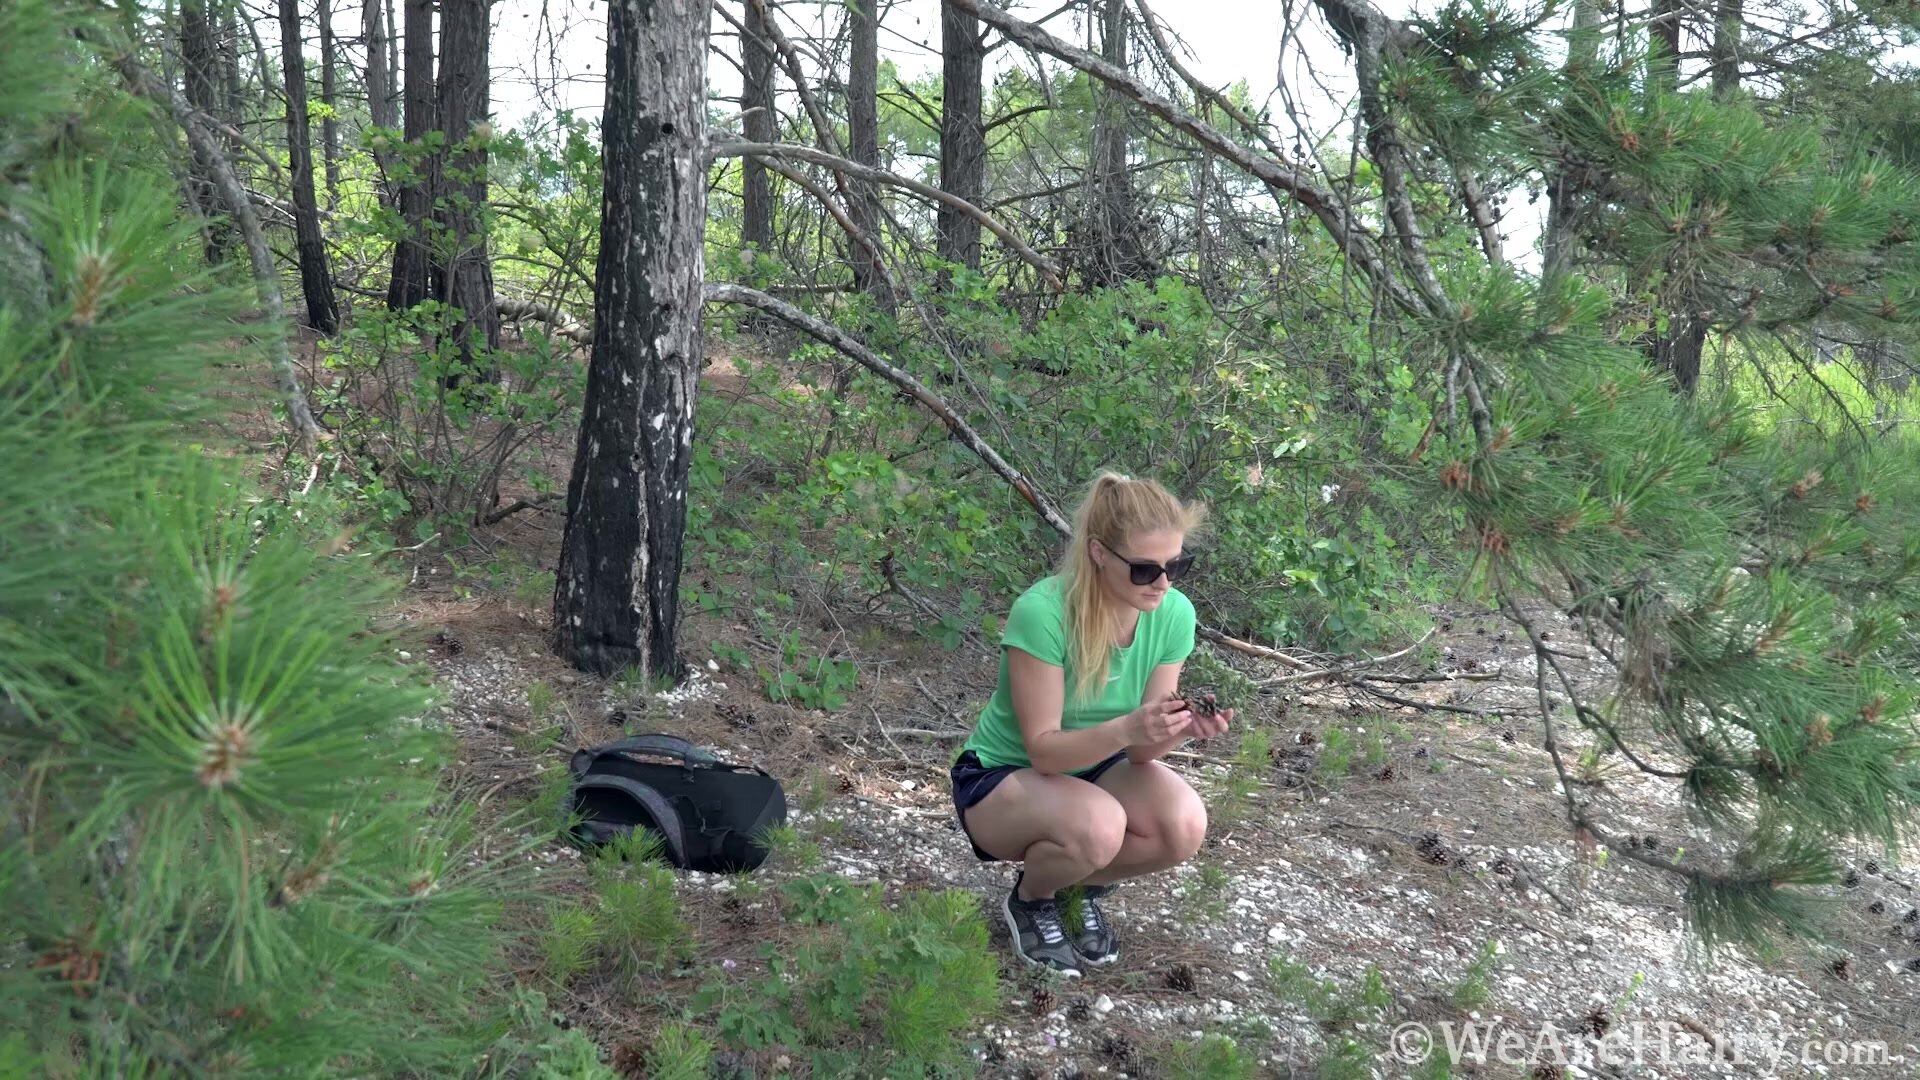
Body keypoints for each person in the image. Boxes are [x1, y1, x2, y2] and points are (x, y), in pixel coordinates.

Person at [949, 471, 1232, 976]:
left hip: (1098, 768)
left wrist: (1176, 728)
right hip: (1003, 778)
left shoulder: (1173, 614)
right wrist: (1127, 731)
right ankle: (1034, 899)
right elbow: (1043, 750)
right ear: (1099, 553)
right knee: (1101, 824)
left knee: (1183, 825)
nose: (1163, 584)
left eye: (1177, 566)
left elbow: (1142, 754)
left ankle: (1075, 890)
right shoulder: (1044, 613)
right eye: (1145, 571)